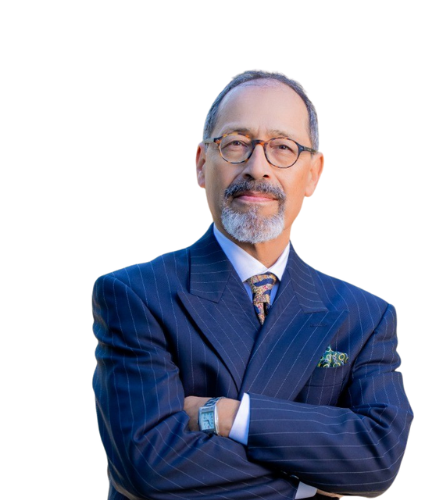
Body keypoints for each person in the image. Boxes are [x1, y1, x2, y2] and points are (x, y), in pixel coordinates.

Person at [92, 70, 413, 500]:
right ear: (203, 164)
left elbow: (377, 457)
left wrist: (231, 417)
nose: (257, 167)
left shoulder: (364, 318)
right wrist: (309, 483)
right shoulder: (136, 295)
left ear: (313, 173)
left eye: (283, 147)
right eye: (236, 143)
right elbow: (150, 465)